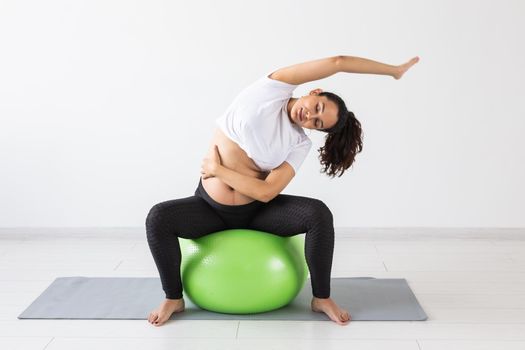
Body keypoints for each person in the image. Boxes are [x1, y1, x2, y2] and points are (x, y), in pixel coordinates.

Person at [145, 54, 420, 327]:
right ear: (314, 91)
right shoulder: (271, 89)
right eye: (318, 107)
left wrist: (220, 171)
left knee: (318, 214)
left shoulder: (299, 144)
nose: (310, 116)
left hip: (256, 212)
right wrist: (393, 70)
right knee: (158, 217)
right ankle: (173, 297)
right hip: (209, 209)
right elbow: (338, 62)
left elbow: (266, 193)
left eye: (317, 123)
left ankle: (322, 298)